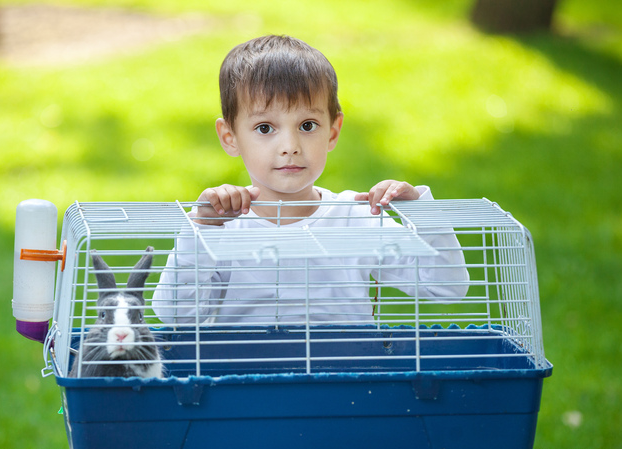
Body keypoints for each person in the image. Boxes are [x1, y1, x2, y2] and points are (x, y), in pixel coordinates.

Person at [152, 35, 469, 325]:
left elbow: (447, 286)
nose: (290, 146)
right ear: (230, 137)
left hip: (346, 380)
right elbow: (175, 316)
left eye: (307, 125)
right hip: (246, 382)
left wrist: (421, 213)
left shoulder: (356, 218)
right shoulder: (222, 224)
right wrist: (201, 227)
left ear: (332, 131)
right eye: (265, 128)